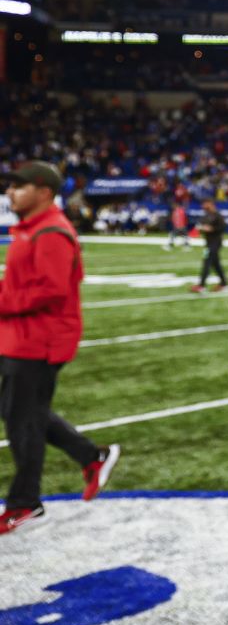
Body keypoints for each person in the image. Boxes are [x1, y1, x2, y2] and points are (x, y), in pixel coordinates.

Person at [0, 161, 120, 536]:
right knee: (21, 412)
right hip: (20, 336)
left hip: (40, 340)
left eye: (19, 187)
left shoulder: (51, 231)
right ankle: (91, 456)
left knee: (24, 420)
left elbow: (50, 291)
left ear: (44, 192)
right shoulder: (31, 229)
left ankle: (25, 502)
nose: (10, 193)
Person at [191, 198, 227, 293]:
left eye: (205, 204)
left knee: (206, 262)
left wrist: (211, 229)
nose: (203, 206)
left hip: (215, 243)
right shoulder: (206, 216)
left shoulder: (218, 216)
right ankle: (224, 284)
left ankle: (201, 285)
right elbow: (200, 227)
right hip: (208, 243)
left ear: (211, 204)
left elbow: (222, 227)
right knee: (216, 264)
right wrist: (200, 229)